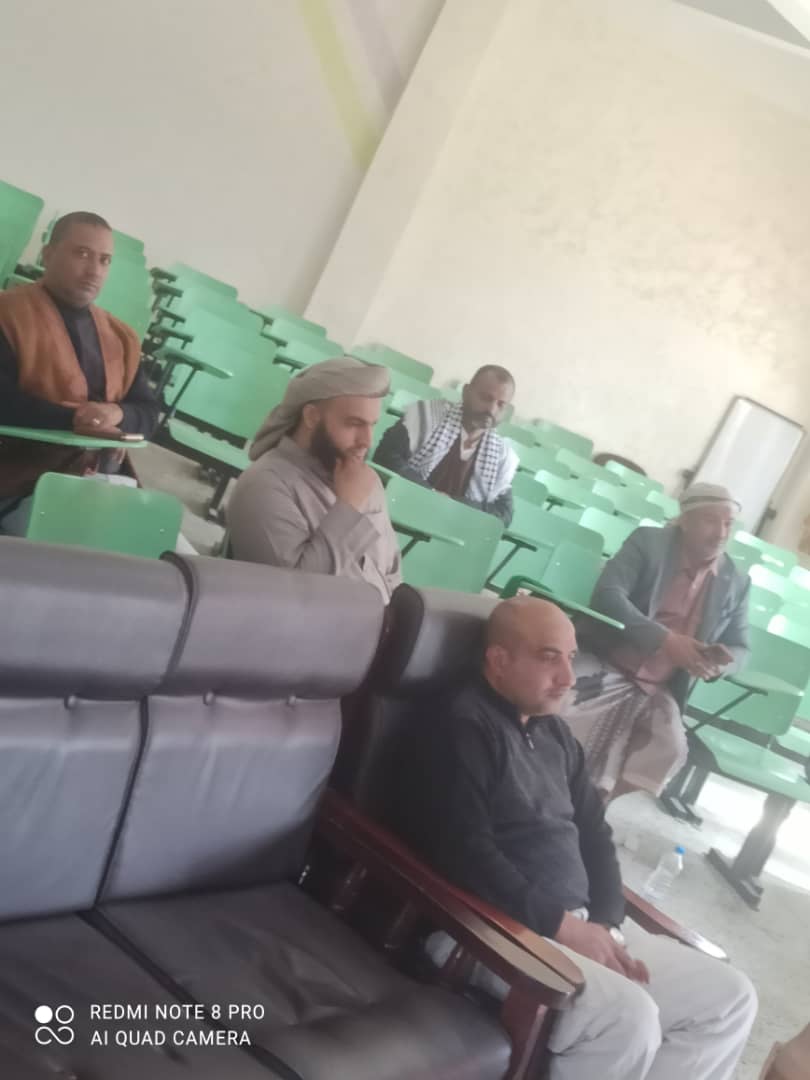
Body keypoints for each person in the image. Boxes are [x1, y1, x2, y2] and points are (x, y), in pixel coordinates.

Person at [397, 596, 757, 1080]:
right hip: (491, 928)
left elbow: (594, 832)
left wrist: (607, 925)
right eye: (550, 657)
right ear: (499, 660)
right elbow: (466, 853)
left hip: (580, 928)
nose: (568, 677)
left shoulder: (554, 734)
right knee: (628, 1017)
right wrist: (562, 926)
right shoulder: (462, 725)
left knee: (729, 999)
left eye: (570, 657)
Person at [564, 483, 750, 806]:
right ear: (685, 519)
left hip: (659, 686)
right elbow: (608, 595)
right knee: (556, 709)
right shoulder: (648, 542)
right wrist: (665, 640)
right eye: (710, 520)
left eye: (728, 524)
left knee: (671, 748)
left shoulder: (736, 580)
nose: (721, 533)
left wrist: (721, 662)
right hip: (606, 660)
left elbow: (742, 647)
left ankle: (595, 807)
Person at [0, 211, 158, 534]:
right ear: (48, 255)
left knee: (170, 551)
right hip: (22, 483)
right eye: (82, 254)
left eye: (104, 260)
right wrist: (78, 420)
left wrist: (115, 413)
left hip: (104, 483)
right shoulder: (8, 314)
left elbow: (149, 412)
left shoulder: (121, 337)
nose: (94, 270)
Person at [227, 356, 402, 602]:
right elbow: (297, 595)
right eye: (354, 424)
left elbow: (391, 576)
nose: (366, 441)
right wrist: (349, 509)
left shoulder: (365, 481)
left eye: (372, 425)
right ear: (311, 417)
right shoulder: (264, 485)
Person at [373, 364, 518, 524]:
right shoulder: (426, 416)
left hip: (450, 528)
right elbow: (385, 456)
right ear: (466, 392)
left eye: (501, 404)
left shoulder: (502, 455)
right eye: (486, 398)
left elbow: (504, 514)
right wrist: (430, 494)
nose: (491, 409)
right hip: (396, 511)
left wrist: (452, 503)